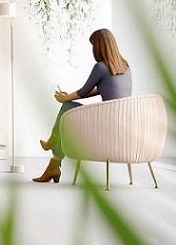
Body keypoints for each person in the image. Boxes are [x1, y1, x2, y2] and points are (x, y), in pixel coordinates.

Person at [32, 28, 132, 183]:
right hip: (121, 126)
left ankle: (53, 142)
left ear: (99, 46)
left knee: (66, 107)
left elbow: (84, 91)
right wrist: (68, 96)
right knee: (68, 105)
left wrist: (64, 98)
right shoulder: (125, 66)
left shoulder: (101, 67)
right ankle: (53, 165)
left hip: (104, 125)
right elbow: (102, 89)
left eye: (94, 45)